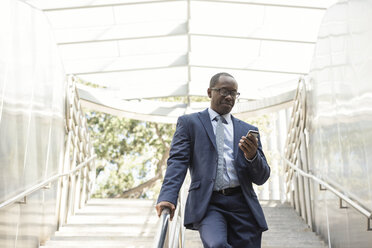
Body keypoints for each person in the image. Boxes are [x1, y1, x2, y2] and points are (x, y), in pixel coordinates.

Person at [155, 72, 270, 248]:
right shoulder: (189, 123)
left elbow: (262, 177)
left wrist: (252, 156)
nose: (230, 97)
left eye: (234, 93)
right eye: (224, 91)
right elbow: (177, 162)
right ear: (210, 92)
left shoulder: (247, 130)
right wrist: (167, 197)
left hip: (243, 205)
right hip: (209, 203)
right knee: (216, 244)